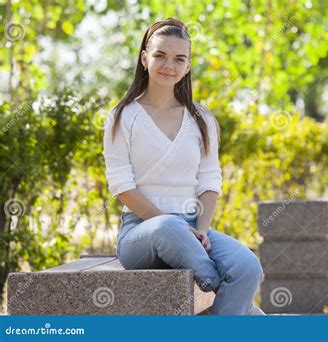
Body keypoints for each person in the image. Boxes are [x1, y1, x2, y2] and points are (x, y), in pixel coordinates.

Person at [102, 17, 265, 315]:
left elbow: (210, 180)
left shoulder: (201, 119)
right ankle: (250, 315)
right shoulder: (122, 116)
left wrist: (201, 231)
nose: (169, 65)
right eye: (160, 55)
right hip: (141, 233)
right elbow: (121, 186)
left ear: (188, 65)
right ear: (144, 58)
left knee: (247, 265)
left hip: (194, 228)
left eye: (179, 59)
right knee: (168, 227)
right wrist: (175, 226)